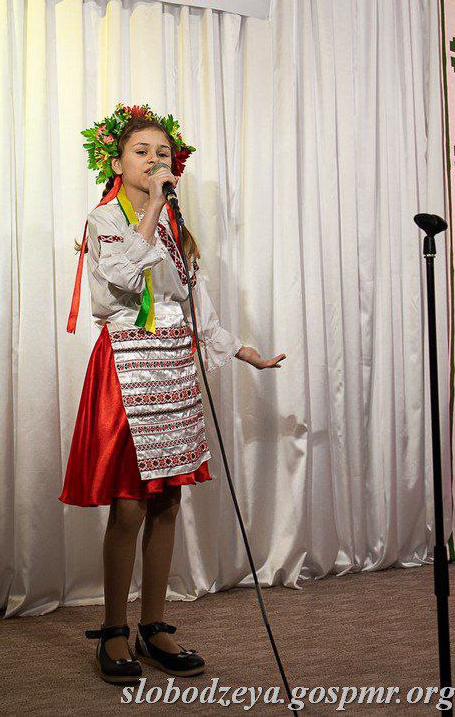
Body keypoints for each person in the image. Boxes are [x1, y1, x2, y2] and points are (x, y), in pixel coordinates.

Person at [59, 103, 285, 685]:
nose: (155, 160)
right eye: (142, 152)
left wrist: (243, 351)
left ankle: (154, 626)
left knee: (167, 502)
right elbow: (120, 281)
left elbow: (193, 303)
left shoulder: (174, 229)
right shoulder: (104, 219)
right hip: (128, 365)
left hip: (173, 367)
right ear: (117, 163)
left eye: (163, 153)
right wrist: (154, 209)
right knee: (129, 504)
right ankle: (114, 628)